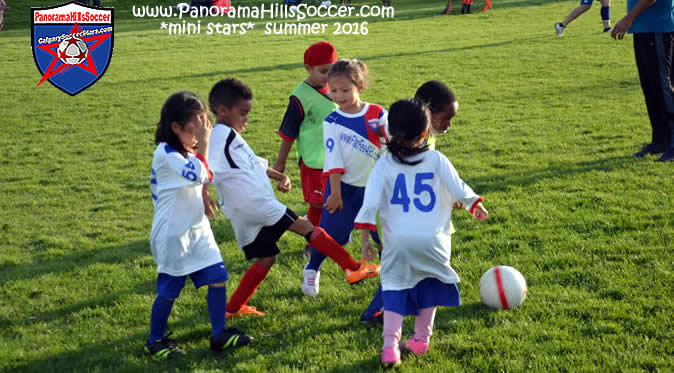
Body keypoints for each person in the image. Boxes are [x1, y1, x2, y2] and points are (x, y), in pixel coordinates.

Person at [206, 78, 380, 319]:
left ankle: (232, 308)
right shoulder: (219, 137)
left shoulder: (228, 135)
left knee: (267, 258)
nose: (247, 118)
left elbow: (251, 162)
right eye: (243, 113)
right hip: (255, 203)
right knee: (307, 226)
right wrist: (204, 192)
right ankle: (352, 268)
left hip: (242, 209)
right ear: (223, 111)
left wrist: (278, 175)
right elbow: (207, 167)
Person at [354, 98, 488, 367]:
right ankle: (420, 341)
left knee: (393, 288)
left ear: (390, 132)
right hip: (435, 241)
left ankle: (390, 347)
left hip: (398, 243)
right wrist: (475, 205)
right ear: (425, 133)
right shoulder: (437, 159)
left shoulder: (384, 164)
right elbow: (459, 187)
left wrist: (366, 237)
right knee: (429, 285)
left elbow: (370, 202)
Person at [146, 91, 251, 359]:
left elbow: (202, 177)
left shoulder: (185, 150)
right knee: (170, 289)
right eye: (197, 127)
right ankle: (155, 340)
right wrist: (204, 144)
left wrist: (204, 197)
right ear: (176, 127)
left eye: (206, 124)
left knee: (217, 278)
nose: (203, 133)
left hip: (197, 228)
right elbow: (199, 172)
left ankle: (219, 335)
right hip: (173, 233)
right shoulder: (166, 154)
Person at [360, 80, 461, 326]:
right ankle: (375, 312)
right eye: (445, 118)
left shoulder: (421, 140)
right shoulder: (400, 143)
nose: (448, 125)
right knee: (396, 268)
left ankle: (402, 305)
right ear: (427, 114)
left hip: (417, 217)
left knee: (407, 266)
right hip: (394, 219)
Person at [301, 59, 387, 297]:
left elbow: (389, 147)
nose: (338, 96)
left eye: (345, 90)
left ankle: (390, 279)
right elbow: (334, 160)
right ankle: (312, 269)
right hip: (343, 190)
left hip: (375, 190)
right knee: (334, 236)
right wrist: (335, 193)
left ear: (360, 86)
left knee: (384, 235)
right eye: (334, 90)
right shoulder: (332, 121)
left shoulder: (378, 113)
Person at [273, 41, 338, 258]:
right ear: (308, 69)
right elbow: (288, 132)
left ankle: (331, 236)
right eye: (323, 71)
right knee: (317, 203)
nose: (328, 76)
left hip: (337, 159)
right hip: (313, 161)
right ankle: (313, 243)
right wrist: (280, 164)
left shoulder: (339, 89)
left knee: (335, 200)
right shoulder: (299, 96)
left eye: (332, 70)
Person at [612, 0, 674, 162]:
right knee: (651, 87)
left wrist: (628, 19)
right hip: (644, 29)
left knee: (663, 88)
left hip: (658, 28)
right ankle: (660, 141)